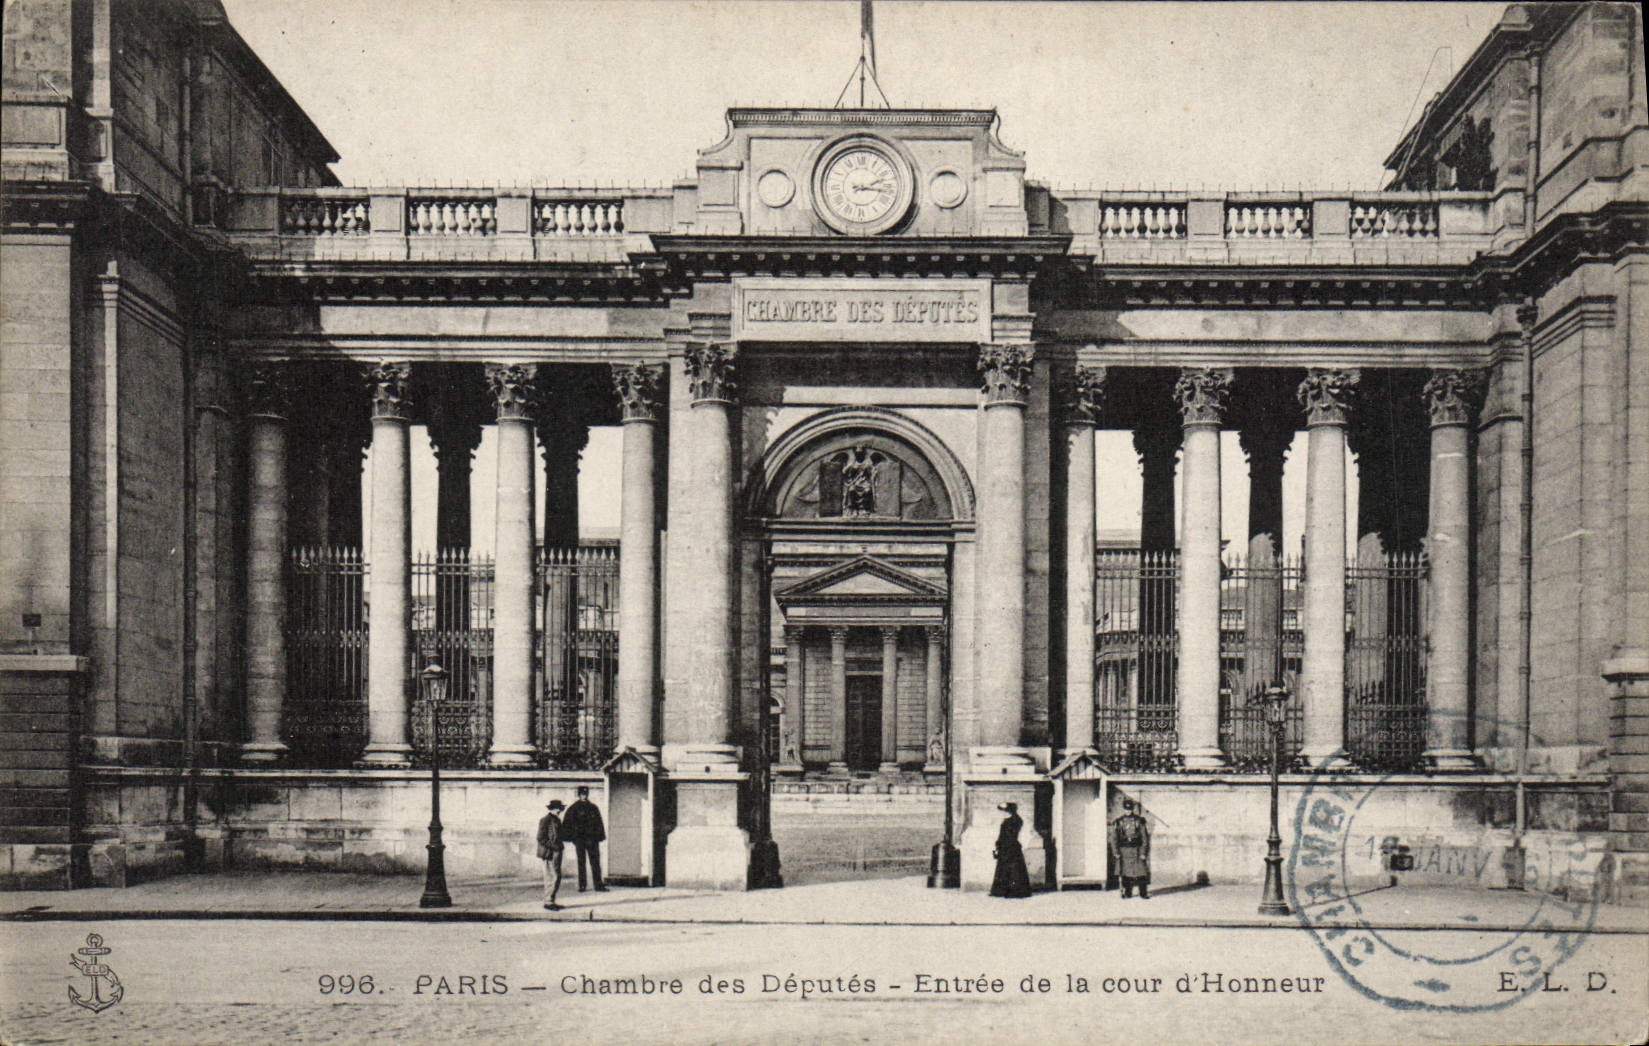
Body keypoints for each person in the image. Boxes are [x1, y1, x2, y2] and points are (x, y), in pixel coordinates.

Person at [562, 786, 607, 892]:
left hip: (592, 840)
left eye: (585, 794)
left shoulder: (593, 808)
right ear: (579, 795)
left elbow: (599, 823)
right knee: (581, 862)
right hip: (580, 840)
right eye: (582, 794)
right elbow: (567, 824)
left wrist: (599, 837)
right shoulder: (573, 808)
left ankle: (598, 885)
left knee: (595, 862)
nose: (584, 796)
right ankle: (582, 885)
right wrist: (573, 838)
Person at [989, 801, 1032, 898]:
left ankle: (1007, 891)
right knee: (1014, 868)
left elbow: (1004, 835)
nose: (1002, 813)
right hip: (1012, 846)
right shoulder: (1017, 820)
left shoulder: (1008, 821)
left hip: (1007, 846)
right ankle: (1013, 890)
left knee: (1008, 868)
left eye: (1004, 811)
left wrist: (998, 844)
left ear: (1008, 811)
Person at [1110, 797, 1151, 899]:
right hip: (1124, 850)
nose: (1128, 811)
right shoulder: (1119, 822)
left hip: (1137, 850)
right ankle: (1128, 892)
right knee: (1125, 873)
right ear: (1124, 809)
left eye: (1130, 809)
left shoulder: (1139, 821)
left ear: (1133, 809)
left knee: (1142, 872)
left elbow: (1144, 837)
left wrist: (1143, 852)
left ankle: (1143, 892)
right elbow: (1114, 838)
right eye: (1126, 809)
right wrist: (1116, 852)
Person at [537, 799, 565, 911]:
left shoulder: (556, 820)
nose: (560, 810)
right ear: (552, 809)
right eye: (558, 808)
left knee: (556, 876)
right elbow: (540, 838)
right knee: (552, 877)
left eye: (560, 808)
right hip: (549, 853)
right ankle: (548, 902)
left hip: (556, 852)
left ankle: (551, 900)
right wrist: (554, 847)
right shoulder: (546, 820)